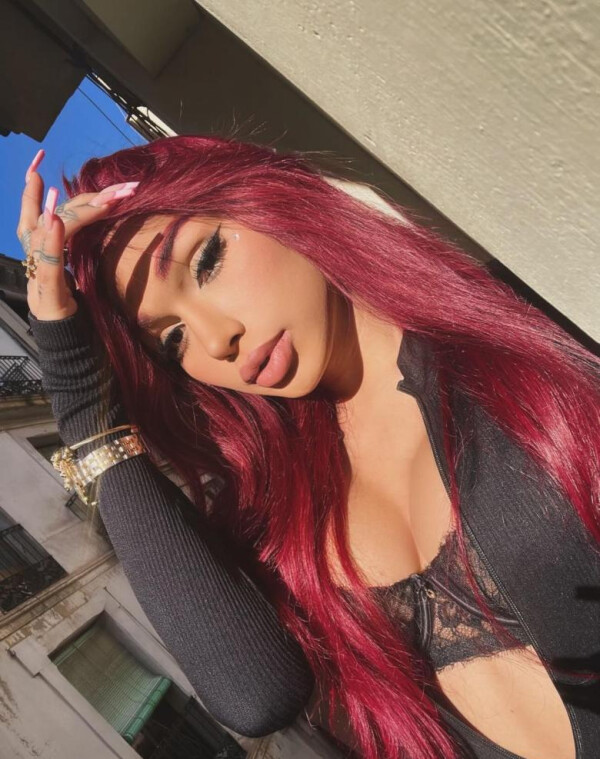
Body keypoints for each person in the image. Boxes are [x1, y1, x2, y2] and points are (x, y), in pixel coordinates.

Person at [18, 137, 600, 759]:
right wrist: (80, 397)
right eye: (173, 339)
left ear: (270, 200)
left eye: (206, 260)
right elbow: (254, 697)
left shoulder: (528, 334)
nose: (216, 341)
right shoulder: (285, 522)